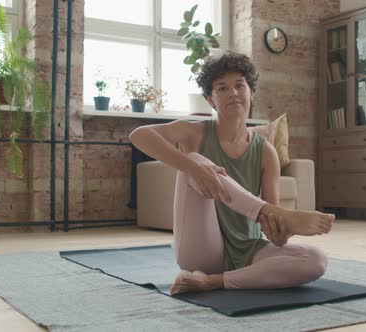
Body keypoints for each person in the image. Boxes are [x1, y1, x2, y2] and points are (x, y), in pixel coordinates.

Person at [129, 51, 335, 295]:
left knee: (316, 259)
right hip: (201, 251)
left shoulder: (266, 151)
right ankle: (255, 215)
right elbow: (138, 135)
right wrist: (192, 167)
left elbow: (274, 229)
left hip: (249, 248)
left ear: (251, 93)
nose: (233, 93)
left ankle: (213, 281)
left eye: (240, 85)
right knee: (195, 160)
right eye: (222, 88)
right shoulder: (194, 132)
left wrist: (279, 234)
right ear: (210, 99)